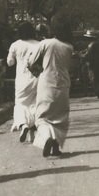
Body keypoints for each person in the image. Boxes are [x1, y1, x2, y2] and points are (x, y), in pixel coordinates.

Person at [28, 15, 74, 157]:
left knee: (42, 117)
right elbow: (70, 67)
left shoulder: (46, 43)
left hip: (47, 83)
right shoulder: (69, 47)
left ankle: (47, 137)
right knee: (60, 118)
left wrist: (36, 71)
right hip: (64, 85)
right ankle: (56, 146)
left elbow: (30, 61)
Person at [6, 22, 39, 142]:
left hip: (22, 79)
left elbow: (10, 62)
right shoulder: (39, 44)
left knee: (21, 104)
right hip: (37, 78)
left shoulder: (15, 45)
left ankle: (23, 125)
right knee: (34, 104)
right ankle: (32, 134)